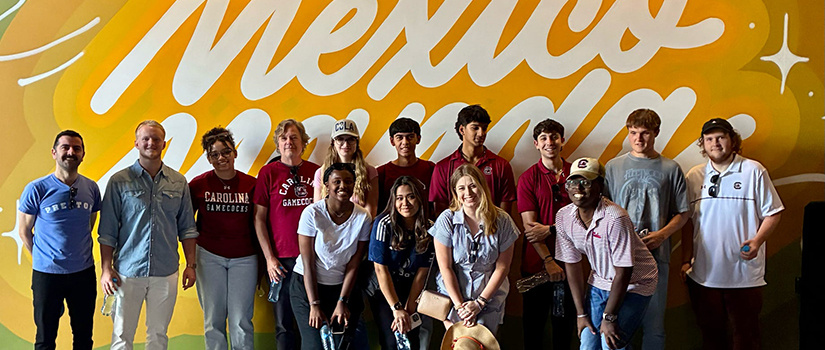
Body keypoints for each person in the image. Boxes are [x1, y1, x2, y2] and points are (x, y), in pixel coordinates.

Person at [681, 118, 783, 350]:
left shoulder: (753, 170)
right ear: (703, 144)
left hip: (744, 275)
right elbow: (687, 222)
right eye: (709, 139)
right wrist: (685, 260)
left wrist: (757, 242)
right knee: (711, 338)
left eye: (721, 138)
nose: (715, 143)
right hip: (704, 276)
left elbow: (773, 213)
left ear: (732, 141)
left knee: (746, 338)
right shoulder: (694, 176)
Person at [98, 120, 199, 350]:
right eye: (146, 138)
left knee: (158, 335)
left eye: (156, 139)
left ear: (164, 144)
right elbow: (107, 232)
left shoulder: (178, 182)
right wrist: (106, 269)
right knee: (122, 336)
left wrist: (190, 265)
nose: (151, 142)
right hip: (127, 272)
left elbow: (187, 229)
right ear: (136, 143)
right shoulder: (119, 181)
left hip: (166, 272)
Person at [603, 109, 689, 350]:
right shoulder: (613, 167)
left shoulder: (671, 169)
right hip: (617, 260)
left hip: (656, 259)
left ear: (656, 133)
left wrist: (661, 235)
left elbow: (683, 213)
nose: (638, 139)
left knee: (654, 327)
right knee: (617, 325)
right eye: (633, 133)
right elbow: (602, 212)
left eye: (644, 133)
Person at [555, 157, 658, 350]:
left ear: (600, 185)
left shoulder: (615, 217)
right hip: (600, 280)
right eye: (572, 182)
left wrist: (609, 317)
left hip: (635, 282)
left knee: (611, 342)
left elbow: (624, 271)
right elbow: (572, 265)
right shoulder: (563, 217)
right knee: (587, 342)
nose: (578, 188)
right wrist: (580, 314)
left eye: (586, 182)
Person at [18, 130, 101, 350]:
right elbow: (25, 231)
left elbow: (89, 224)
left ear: (83, 154)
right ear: (54, 153)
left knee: (84, 337)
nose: (71, 152)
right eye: (65, 147)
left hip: (83, 273)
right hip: (47, 276)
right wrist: (43, 259)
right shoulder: (37, 189)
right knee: (45, 338)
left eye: (76, 148)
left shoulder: (91, 188)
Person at [188, 127, 257, 350]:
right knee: (213, 321)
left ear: (235, 152)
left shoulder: (252, 185)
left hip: (245, 258)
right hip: (208, 256)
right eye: (214, 154)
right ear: (208, 158)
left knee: (241, 321)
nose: (221, 158)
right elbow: (186, 225)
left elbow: (261, 223)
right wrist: (189, 261)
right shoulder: (198, 185)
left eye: (226, 152)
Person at [253, 119, 319, 350]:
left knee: (312, 321)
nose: (289, 142)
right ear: (278, 145)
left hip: (312, 260)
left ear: (304, 144)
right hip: (281, 262)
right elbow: (259, 219)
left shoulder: (317, 173)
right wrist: (269, 258)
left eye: (294, 138)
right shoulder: (268, 173)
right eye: (284, 138)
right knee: (283, 324)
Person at [430, 163, 519, 334]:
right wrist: (460, 307)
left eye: (473, 186)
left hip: (489, 298)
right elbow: (445, 267)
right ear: (455, 192)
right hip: (453, 298)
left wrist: (479, 303)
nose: (468, 193)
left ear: (482, 187)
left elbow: (502, 267)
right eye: (461, 188)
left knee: (483, 343)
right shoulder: (446, 220)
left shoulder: (502, 220)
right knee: (459, 344)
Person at [291, 163, 372, 350]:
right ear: (327, 184)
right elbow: (308, 263)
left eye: (348, 181)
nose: (342, 186)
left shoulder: (363, 217)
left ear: (354, 185)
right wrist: (314, 304)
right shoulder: (312, 213)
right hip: (307, 287)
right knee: (314, 346)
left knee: (344, 344)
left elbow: (354, 264)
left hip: (341, 288)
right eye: (337, 181)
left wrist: (342, 301)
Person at [516, 119, 576, 349]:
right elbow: (531, 230)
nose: (549, 142)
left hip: (572, 265)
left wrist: (550, 229)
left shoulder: (577, 173)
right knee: (533, 331)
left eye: (554, 137)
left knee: (564, 331)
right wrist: (548, 261)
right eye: (543, 138)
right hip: (536, 266)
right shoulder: (527, 178)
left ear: (562, 141)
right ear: (536, 144)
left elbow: (587, 221)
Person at [368, 176, 434, 349]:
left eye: (411, 196)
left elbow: (422, 273)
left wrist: (408, 310)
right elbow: (381, 270)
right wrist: (397, 309)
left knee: (411, 337)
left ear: (419, 199)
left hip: (412, 288)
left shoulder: (429, 227)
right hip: (384, 289)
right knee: (391, 340)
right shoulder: (383, 224)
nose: (405, 203)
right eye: (399, 198)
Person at [429, 105, 516, 216]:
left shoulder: (502, 165)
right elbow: (440, 214)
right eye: (475, 128)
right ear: (462, 130)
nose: (481, 133)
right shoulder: (442, 167)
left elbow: (505, 214)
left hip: (492, 230)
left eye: (484, 128)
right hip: (456, 232)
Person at [313, 119, 379, 218]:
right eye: (340, 139)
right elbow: (318, 211)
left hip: (360, 231)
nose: (346, 144)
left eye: (350, 139)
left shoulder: (369, 171)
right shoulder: (321, 173)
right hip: (329, 231)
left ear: (357, 142)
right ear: (333, 142)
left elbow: (370, 213)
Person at [376, 118, 436, 214]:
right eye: (399, 137)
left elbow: (436, 205)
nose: (405, 142)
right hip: (392, 226)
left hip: (426, 226)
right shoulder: (381, 173)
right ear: (392, 141)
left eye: (410, 137)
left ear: (418, 139)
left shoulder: (431, 168)